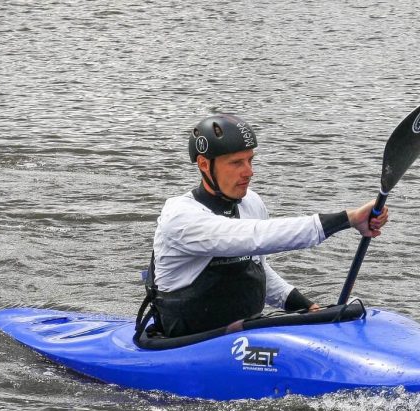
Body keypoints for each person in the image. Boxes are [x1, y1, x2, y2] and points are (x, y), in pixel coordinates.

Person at [138, 114, 388, 338]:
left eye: (250, 160)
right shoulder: (180, 217)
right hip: (186, 342)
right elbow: (255, 237)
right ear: (204, 165)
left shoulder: (251, 203)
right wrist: (347, 219)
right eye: (237, 163)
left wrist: (305, 307)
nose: (249, 172)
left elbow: (255, 267)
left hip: (239, 335)